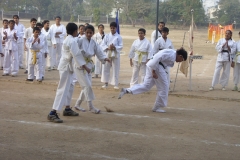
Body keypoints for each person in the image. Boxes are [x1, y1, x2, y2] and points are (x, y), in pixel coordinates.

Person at [118, 48, 187, 113]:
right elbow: (157, 58)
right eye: (182, 59)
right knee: (164, 87)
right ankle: (157, 107)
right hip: (156, 67)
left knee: (146, 86)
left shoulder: (172, 53)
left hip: (152, 66)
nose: (180, 62)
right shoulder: (171, 54)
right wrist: (153, 71)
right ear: (180, 56)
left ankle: (127, 90)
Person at [47, 23, 88, 123]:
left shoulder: (71, 39)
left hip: (68, 67)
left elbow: (78, 42)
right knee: (63, 89)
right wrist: (85, 66)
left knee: (70, 87)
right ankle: (53, 112)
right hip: (65, 67)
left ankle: (67, 108)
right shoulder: (71, 40)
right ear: (75, 31)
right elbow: (76, 54)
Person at [74, 25, 110, 113]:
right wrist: (83, 65)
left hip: (89, 66)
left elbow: (99, 51)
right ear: (84, 32)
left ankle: (77, 104)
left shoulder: (93, 42)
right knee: (87, 86)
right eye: (87, 32)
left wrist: (104, 58)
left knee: (86, 86)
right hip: (80, 66)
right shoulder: (80, 40)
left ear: (93, 33)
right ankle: (90, 106)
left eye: (91, 33)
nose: (89, 34)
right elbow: (75, 52)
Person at [101, 22, 123, 89]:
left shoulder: (118, 37)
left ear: (116, 28)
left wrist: (115, 47)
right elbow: (102, 44)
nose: (112, 29)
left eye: (114, 28)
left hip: (115, 53)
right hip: (108, 52)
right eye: (111, 28)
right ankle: (106, 83)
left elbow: (121, 46)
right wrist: (108, 47)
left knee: (116, 68)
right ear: (110, 28)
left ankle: (115, 84)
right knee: (106, 67)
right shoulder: (106, 36)